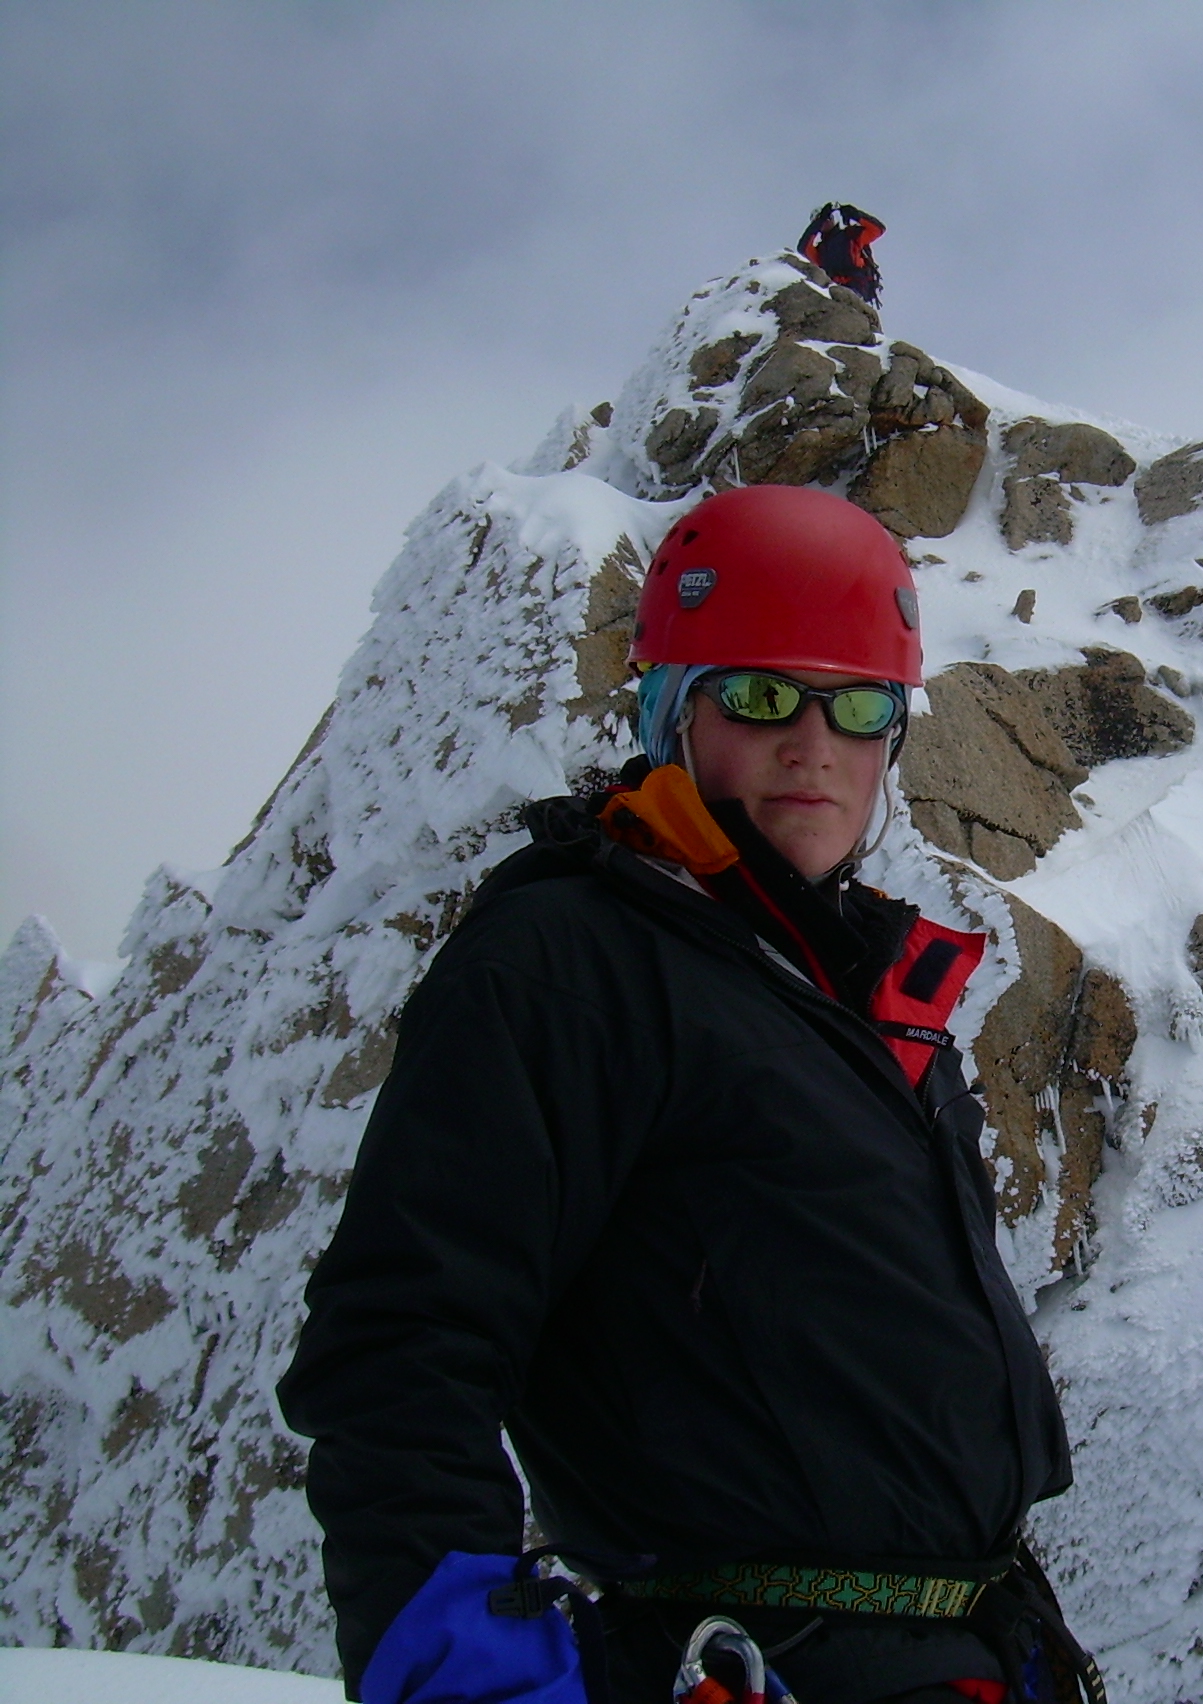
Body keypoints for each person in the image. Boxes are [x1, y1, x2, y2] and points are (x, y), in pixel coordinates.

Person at [279, 485, 1090, 1704]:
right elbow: (405, 1342)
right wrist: (475, 1680)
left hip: (963, 1653)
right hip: (750, 1668)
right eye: (761, 695)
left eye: (858, 705)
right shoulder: (573, 959)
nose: (814, 743)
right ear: (671, 709)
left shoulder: (854, 997)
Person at [798, 204, 886, 304]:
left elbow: (878, 229)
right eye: (821, 220)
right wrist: (819, 221)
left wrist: (855, 214)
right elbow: (803, 248)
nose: (826, 221)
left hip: (856, 286)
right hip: (833, 289)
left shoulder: (851, 235)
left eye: (828, 218)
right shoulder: (820, 250)